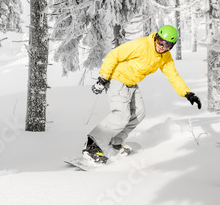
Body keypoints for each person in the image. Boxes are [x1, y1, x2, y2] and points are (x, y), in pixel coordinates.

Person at [83, 25, 201, 164]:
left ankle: (114, 143)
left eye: (167, 44)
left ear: (172, 45)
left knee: (139, 113)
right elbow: (114, 55)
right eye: (160, 41)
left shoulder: (165, 57)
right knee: (121, 115)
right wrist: (103, 78)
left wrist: (187, 93)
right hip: (117, 79)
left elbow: (173, 75)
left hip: (131, 83)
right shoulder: (142, 45)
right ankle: (92, 146)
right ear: (156, 37)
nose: (162, 46)